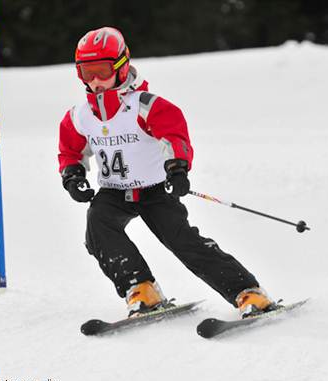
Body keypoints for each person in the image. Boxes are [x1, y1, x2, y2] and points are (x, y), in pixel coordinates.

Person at [58, 27, 278, 318]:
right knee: (98, 226)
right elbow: (70, 150)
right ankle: (140, 289)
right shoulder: (80, 116)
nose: (95, 81)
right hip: (113, 191)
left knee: (181, 240)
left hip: (154, 190)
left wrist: (177, 169)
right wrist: (73, 177)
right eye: (87, 73)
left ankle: (248, 293)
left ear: (122, 67)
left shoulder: (144, 105)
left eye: (102, 70)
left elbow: (174, 136)